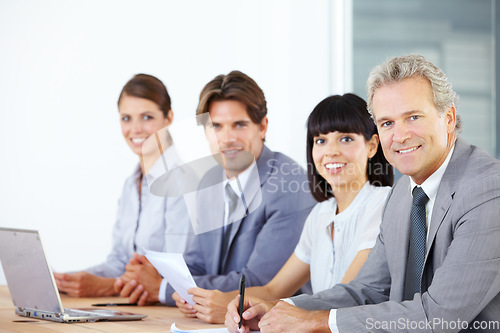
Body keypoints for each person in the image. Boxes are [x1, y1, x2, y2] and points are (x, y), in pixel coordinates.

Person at [226, 54, 500, 333]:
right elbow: (368, 290)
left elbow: (438, 316)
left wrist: (316, 322)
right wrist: (281, 310)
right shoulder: (403, 195)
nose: (400, 135)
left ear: (449, 118)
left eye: (413, 117)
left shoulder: (488, 191)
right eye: (387, 123)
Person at [115, 71, 316, 317]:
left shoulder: (288, 185)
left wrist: (163, 288)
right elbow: (196, 264)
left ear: (262, 127)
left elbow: (257, 281)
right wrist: (160, 274)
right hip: (216, 322)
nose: (227, 138)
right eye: (216, 126)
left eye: (239, 125)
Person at [183, 93, 394, 324]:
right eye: (321, 141)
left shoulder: (383, 204)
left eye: (346, 139)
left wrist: (269, 308)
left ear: (373, 146)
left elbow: (348, 296)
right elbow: (274, 290)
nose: (331, 151)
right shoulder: (320, 214)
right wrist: (230, 303)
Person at [54, 74, 193, 297]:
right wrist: (68, 279)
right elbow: (119, 260)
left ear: (169, 118)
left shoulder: (184, 181)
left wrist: (107, 286)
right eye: (126, 118)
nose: (135, 129)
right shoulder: (131, 184)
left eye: (147, 117)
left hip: (170, 312)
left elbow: (180, 271)